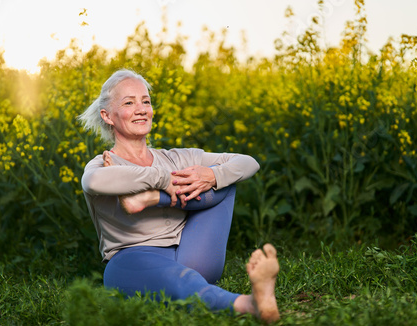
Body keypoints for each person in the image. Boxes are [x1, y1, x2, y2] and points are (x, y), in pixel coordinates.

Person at [78, 69, 281, 322]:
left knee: (223, 179)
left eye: (146, 101)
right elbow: (92, 181)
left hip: (194, 252)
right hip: (132, 260)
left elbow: (248, 163)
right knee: (180, 281)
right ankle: (250, 303)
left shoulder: (177, 157)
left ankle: (146, 200)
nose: (141, 109)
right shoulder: (105, 164)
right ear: (107, 116)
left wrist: (208, 177)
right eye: (129, 102)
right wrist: (162, 178)